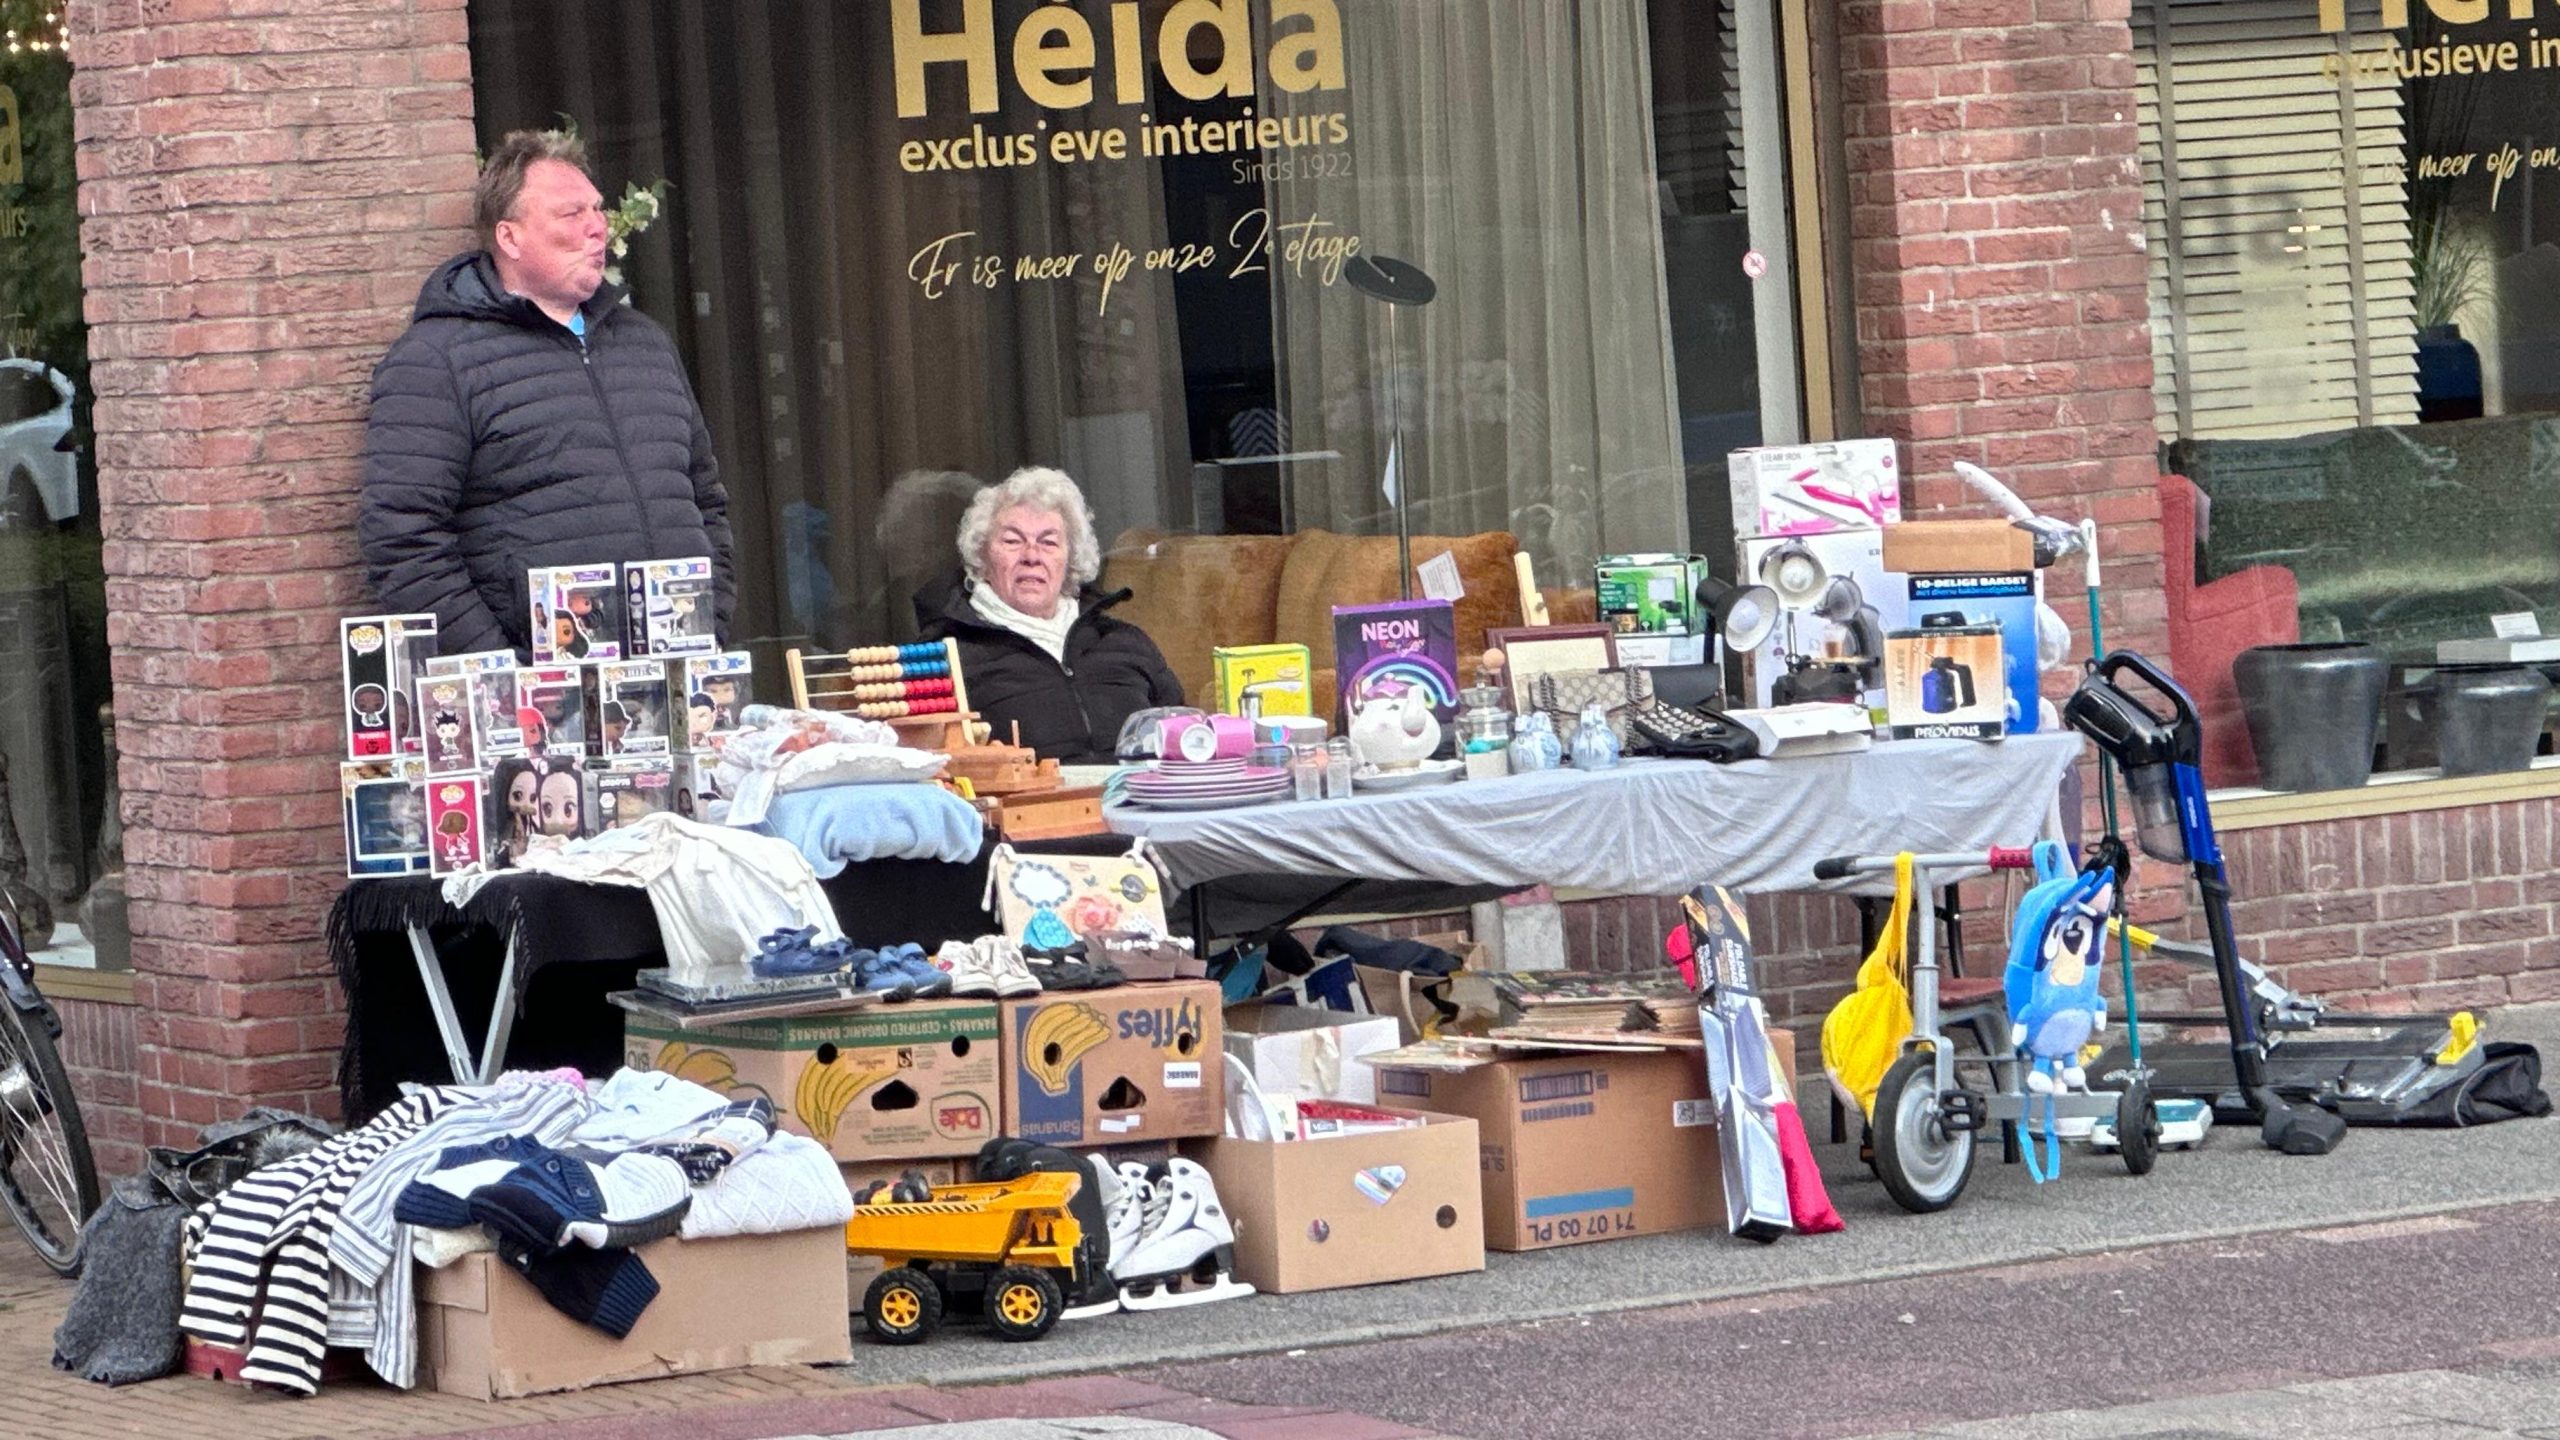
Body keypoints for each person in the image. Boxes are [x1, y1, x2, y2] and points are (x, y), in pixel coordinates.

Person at [358, 128, 735, 657]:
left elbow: (706, 503)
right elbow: (403, 539)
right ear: (510, 238)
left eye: (598, 210)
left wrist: (710, 623)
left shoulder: (645, 345)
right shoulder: (436, 360)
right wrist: (501, 673)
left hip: (674, 675)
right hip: (539, 699)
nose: (596, 227)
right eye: (570, 214)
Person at [914, 466, 1182, 764]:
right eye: (1012, 541)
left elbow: (1185, 737)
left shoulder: (1125, 641)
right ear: (983, 557)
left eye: (1049, 542)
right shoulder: (948, 658)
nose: (1031, 556)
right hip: (1028, 808)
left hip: (1141, 803)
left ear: (1070, 559)